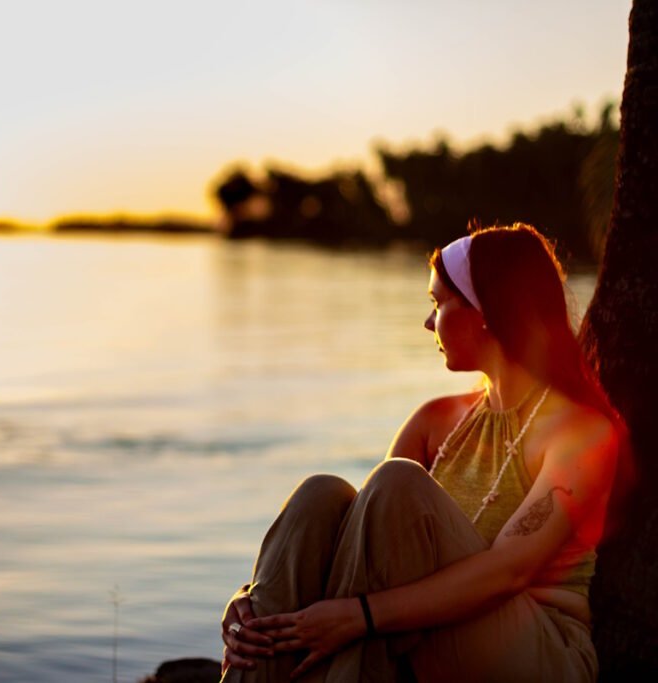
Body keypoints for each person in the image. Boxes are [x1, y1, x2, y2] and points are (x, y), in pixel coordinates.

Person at [219, 223, 626, 682]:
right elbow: (363, 551)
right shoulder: (434, 422)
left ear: (487, 310)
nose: (428, 322)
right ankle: (255, 637)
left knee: (397, 482)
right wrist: (254, 598)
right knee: (321, 495)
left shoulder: (580, 434)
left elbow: (509, 572)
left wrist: (359, 617)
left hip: (537, 650)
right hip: (426, 633)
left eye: (438, 304)